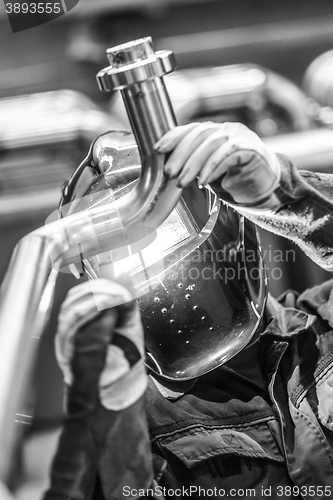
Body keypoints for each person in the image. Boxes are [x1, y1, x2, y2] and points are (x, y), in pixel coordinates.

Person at [43, 122, 333, 500]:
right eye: (122, 248)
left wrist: (285, 194)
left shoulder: (321, 325)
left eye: (160, 224)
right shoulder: (140, 422)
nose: (150, 261)